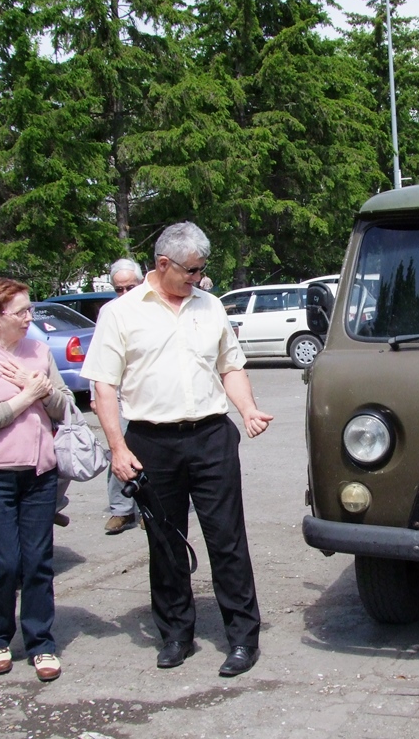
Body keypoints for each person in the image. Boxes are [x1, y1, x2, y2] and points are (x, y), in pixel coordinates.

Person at [81, 221, 273, 676]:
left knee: (227, 540)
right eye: (191, 270)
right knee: (165, 543)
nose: (198, 278)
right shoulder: (121, 313)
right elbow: (103, 387)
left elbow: (231, 366)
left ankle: (243, 639)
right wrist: (116, 448)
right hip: (151, 441)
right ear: (162, 264)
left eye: (202, 269)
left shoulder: (210, 307)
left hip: (211, 436)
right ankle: (175, 635)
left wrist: (246, 409)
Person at [0, 278, 72, 682]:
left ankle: (41, 643)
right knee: (5, 562)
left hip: (40, 472)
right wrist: (24, 396)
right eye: (20, 312)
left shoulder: (38, 351)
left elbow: (63, 406)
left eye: (30, 310)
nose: (29, 319)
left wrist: (38, 390)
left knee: (38, 561)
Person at [89, 258, 144, 535]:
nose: (124, 294)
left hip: (147, 394)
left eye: (130, 287)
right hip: (117, 396)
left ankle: (149, 508)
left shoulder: (153, 307)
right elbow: (99, 359)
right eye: (119, 289)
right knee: (119, 450)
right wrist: (94, 395)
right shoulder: (109, 312)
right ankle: (121, 510)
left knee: (151, 452)